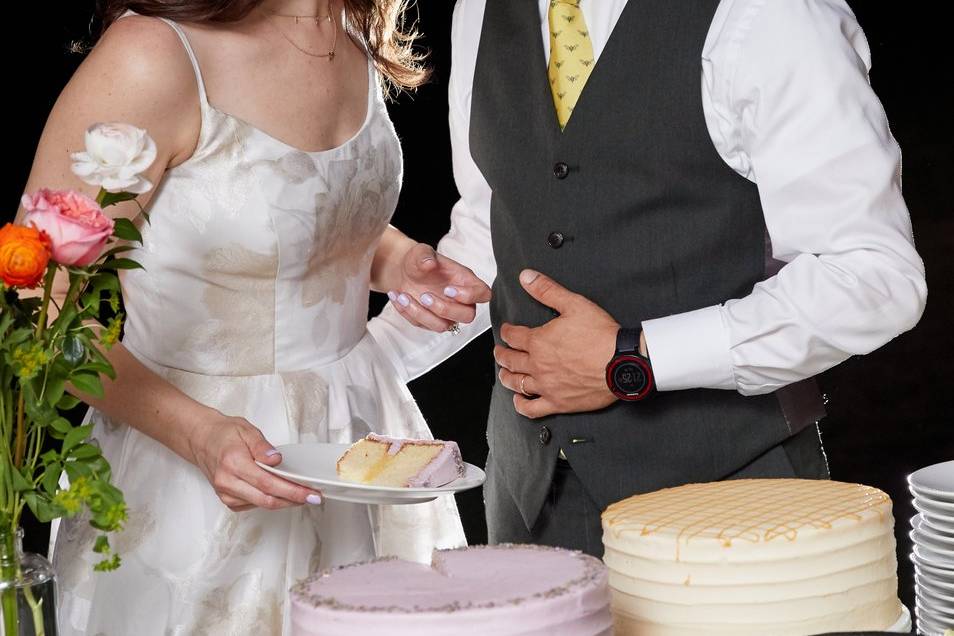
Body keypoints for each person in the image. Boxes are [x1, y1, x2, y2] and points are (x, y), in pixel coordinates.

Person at [371, 0, 927, 557]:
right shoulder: (478, 8)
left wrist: (634, 358)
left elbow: (873, 275)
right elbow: (498, 218)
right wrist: (354, 368)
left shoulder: (770, 13)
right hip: (528, 504)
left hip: (733, 506)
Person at [19, 1, 489, 634]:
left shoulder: (345, 24)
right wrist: (197, 435)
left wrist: (395, 259)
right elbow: (39, 311)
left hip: (361, 447)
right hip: (195, 471)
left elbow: (291, 212)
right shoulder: (154, 55)